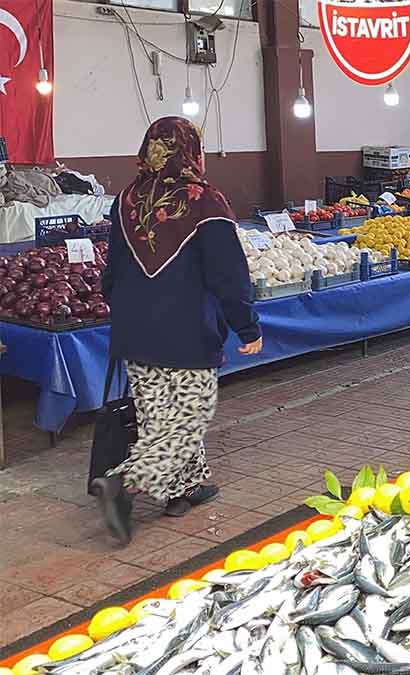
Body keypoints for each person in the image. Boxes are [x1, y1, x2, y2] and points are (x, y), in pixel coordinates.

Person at [92, 117, 262, 546]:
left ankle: (187, 487)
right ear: (191, 151)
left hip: (135, 328)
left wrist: (128, 308)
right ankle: (124, 483)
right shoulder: (204, 201)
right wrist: (246, 326)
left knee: (157, 415)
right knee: (189, 415)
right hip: (187, 329)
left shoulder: (126, 199)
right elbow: (228, 274)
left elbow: (111, 271)